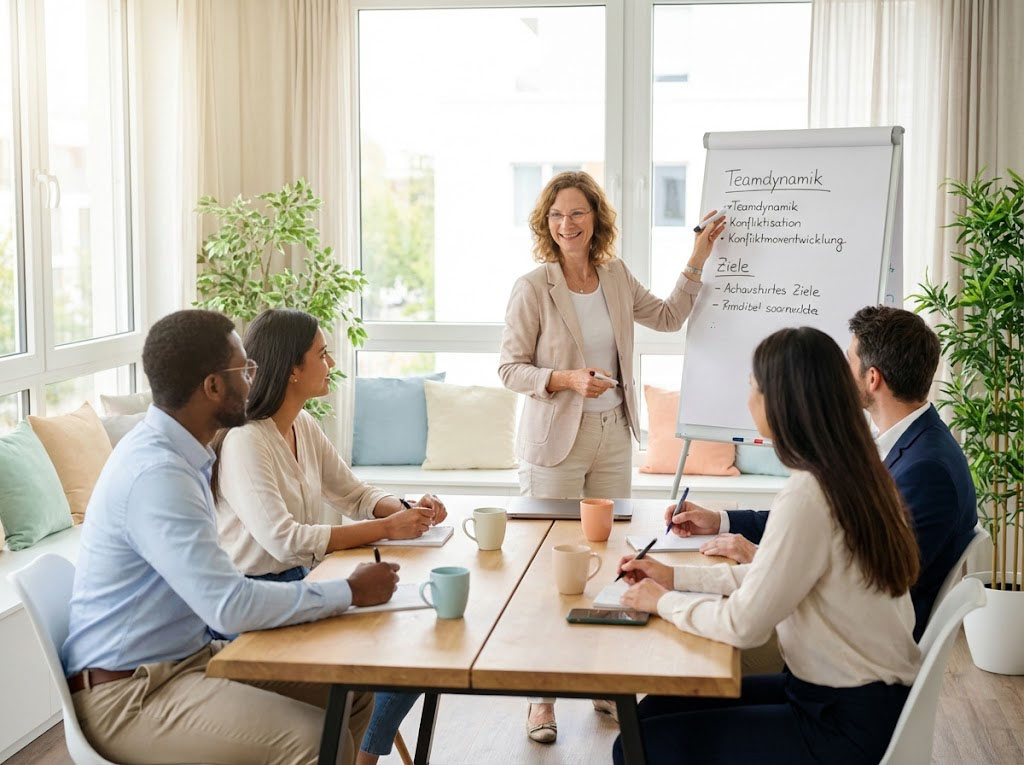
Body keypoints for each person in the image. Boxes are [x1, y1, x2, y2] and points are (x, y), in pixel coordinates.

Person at [61, 309, 400, 765]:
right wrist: (349, 591)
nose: (255, 380)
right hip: (131, 695)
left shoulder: (185, 456)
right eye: (245, 369)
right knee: (317, 741)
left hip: (189, 662)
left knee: (355, 693)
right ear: (213, 387)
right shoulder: (159, 474)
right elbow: (229, 605)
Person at [615, 326, 922, 765]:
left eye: (752, 387)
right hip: (858, 699)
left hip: (839, 724)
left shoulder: (811, 493)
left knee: (634, 745)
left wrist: (663, 602)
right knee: (651, 714)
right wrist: (674, 576)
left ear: (781, 403)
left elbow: (744, 626)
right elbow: (775, 577)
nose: (747, 398)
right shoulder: (855, 473)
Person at [497, 170, 725, 742]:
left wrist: (697, 254)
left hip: (612, 438)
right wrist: (567, 378)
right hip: (555, 443)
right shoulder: (533, 286)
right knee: (550, 570)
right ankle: (541, 699)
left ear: (595, 218)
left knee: (609, 560)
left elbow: (671, 316)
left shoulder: (617, 277)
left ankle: (600, 677)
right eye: (555, 216)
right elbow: (510, 368)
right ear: (545, 226)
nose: (566, 224)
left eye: (576, 213)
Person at [210, 308, 446, 765]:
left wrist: (407, 509)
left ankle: (361, 756)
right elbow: (283, 539)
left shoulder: (302, 425)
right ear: (292, 369)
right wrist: (386, 529)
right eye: (323, 355)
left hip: (301, 585)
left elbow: (353, 493)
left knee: (421, 646)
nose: (332, 364)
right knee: (400, 657)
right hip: (253, 608)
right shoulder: (245, 441)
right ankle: (359, 756)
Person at [672, 305, 977, 640]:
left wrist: (763, 558)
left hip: (852, 648)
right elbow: (819, 525)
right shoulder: (901, 442)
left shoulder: (926, 470)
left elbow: (875, 584)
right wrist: (722, 520)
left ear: (872, 378)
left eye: (849, 359)